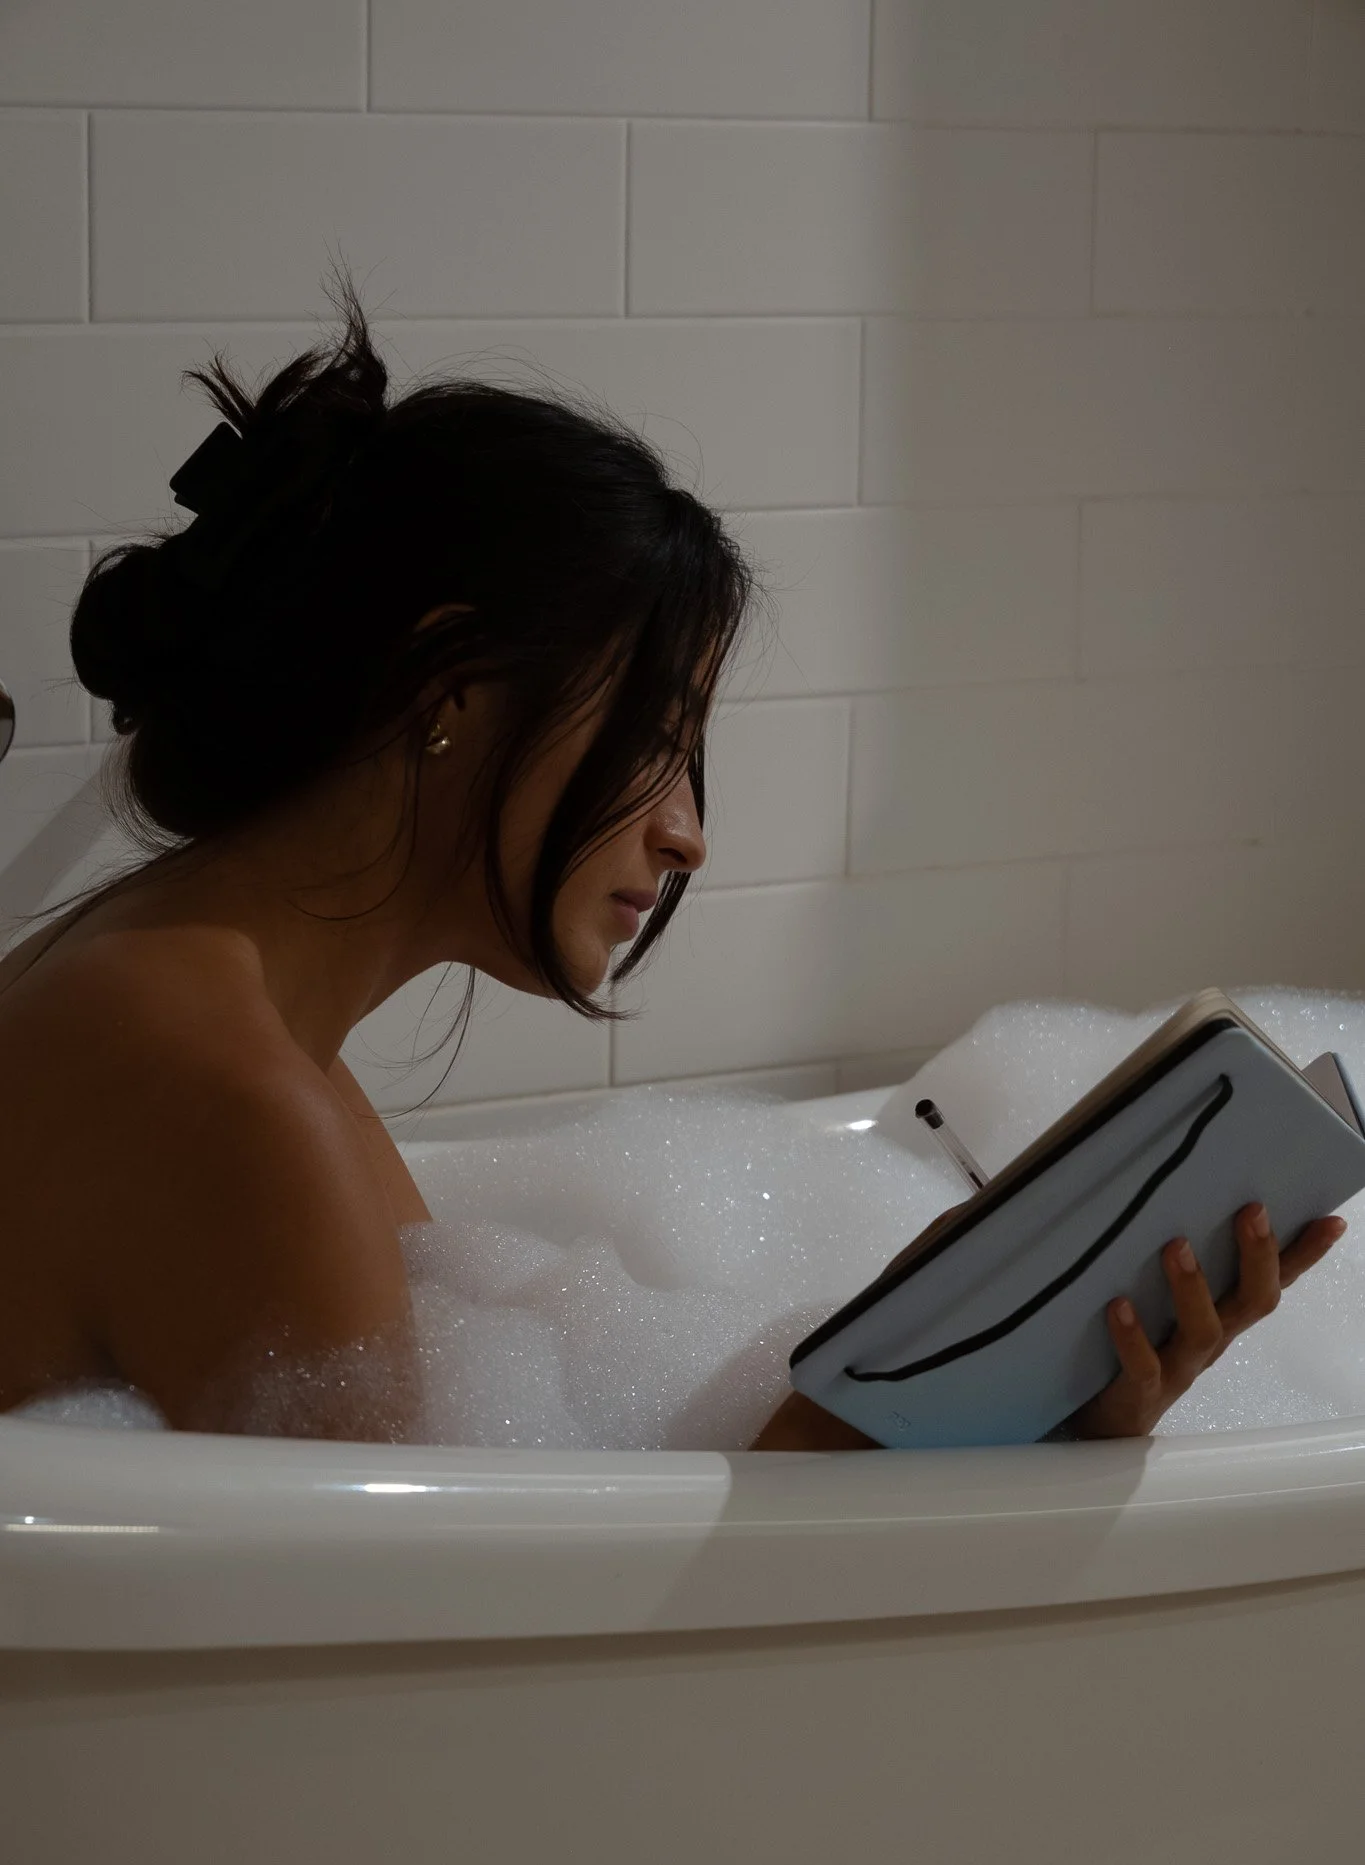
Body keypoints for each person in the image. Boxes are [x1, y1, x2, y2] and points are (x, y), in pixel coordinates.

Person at [0, 273, 1345, 1447]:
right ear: (449, 690)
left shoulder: (210, 1018)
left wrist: (964, 1369)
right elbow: (448, 1675)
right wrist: (886, 1391)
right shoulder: (231, 1101)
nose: (688, 830)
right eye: (658, 735)